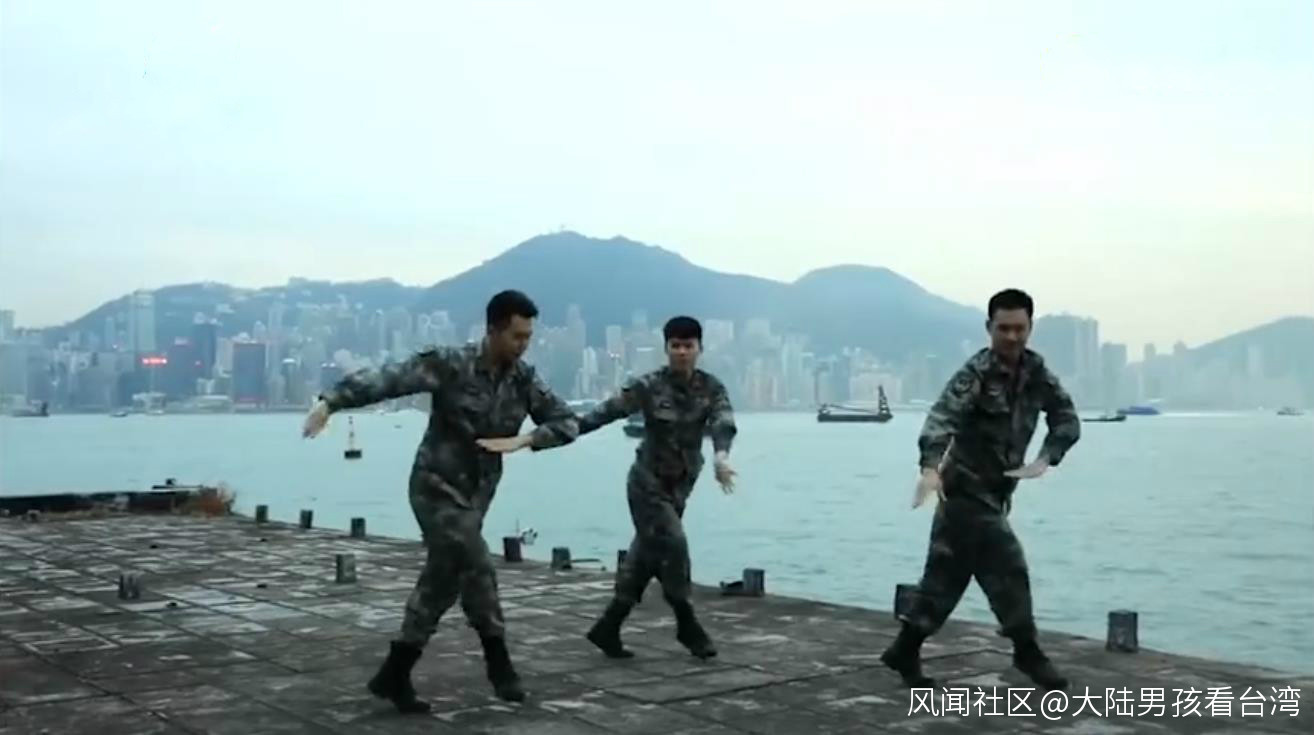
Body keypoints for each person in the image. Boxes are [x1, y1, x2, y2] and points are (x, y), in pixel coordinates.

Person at [302, 289, 578, 711]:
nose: (523, 345)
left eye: (528, 337)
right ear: (492, 330)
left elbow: (567, 422)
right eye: (517, 336)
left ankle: (395, 673)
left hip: (476, 496)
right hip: (433, 486)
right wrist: (331, 402)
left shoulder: (524, 380)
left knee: (443, 579)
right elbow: (391, 378)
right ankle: (499, 661)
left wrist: (525, 440)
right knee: (477, 561)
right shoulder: (451, 364)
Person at [881, 288, 1080, 691]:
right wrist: (930, 469)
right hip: (964, 491)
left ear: (1030, 327)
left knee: (946, 577)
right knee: (1009, 565)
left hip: (998, 493)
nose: (1012, 337)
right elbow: (941, 420)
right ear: (989, 328)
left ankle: (905, 648)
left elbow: (1067, 418)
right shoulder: (975, 374)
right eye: (1003, 328)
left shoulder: (1037, 372)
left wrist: (1046, 458)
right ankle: (1027, 650)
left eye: (1019, 328)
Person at [572, 316, 738, 660]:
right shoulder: (648, 386)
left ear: (699, 349)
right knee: (674, 544)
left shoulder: (711, 388)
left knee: (646, 555)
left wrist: (721, 457)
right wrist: (555, 432)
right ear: (666, 348)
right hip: (646, 484)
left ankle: (608, 627)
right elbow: (605, 411)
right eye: (675, 345)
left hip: (680, 487)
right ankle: (687, 622)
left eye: (688, 345)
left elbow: (723, 421)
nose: (682, 352)